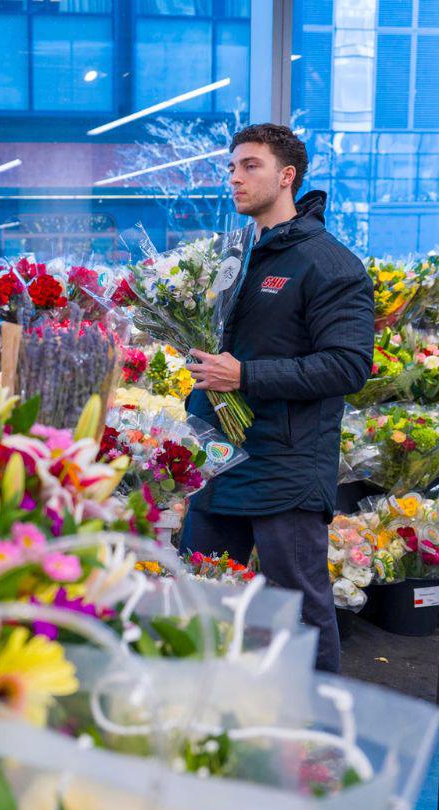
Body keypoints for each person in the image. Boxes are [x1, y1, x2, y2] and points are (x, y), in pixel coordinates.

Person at [181, 123, 374, 673]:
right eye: (231, 167)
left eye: (250, 166)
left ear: (287, 176)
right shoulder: (234, 256)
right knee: (202, 600)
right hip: (218, 464)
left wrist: (245, 376)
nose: (235, 178)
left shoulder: (328, 263)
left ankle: (319, 742)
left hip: (285, 471)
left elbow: (349, 365)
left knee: (302, 614)